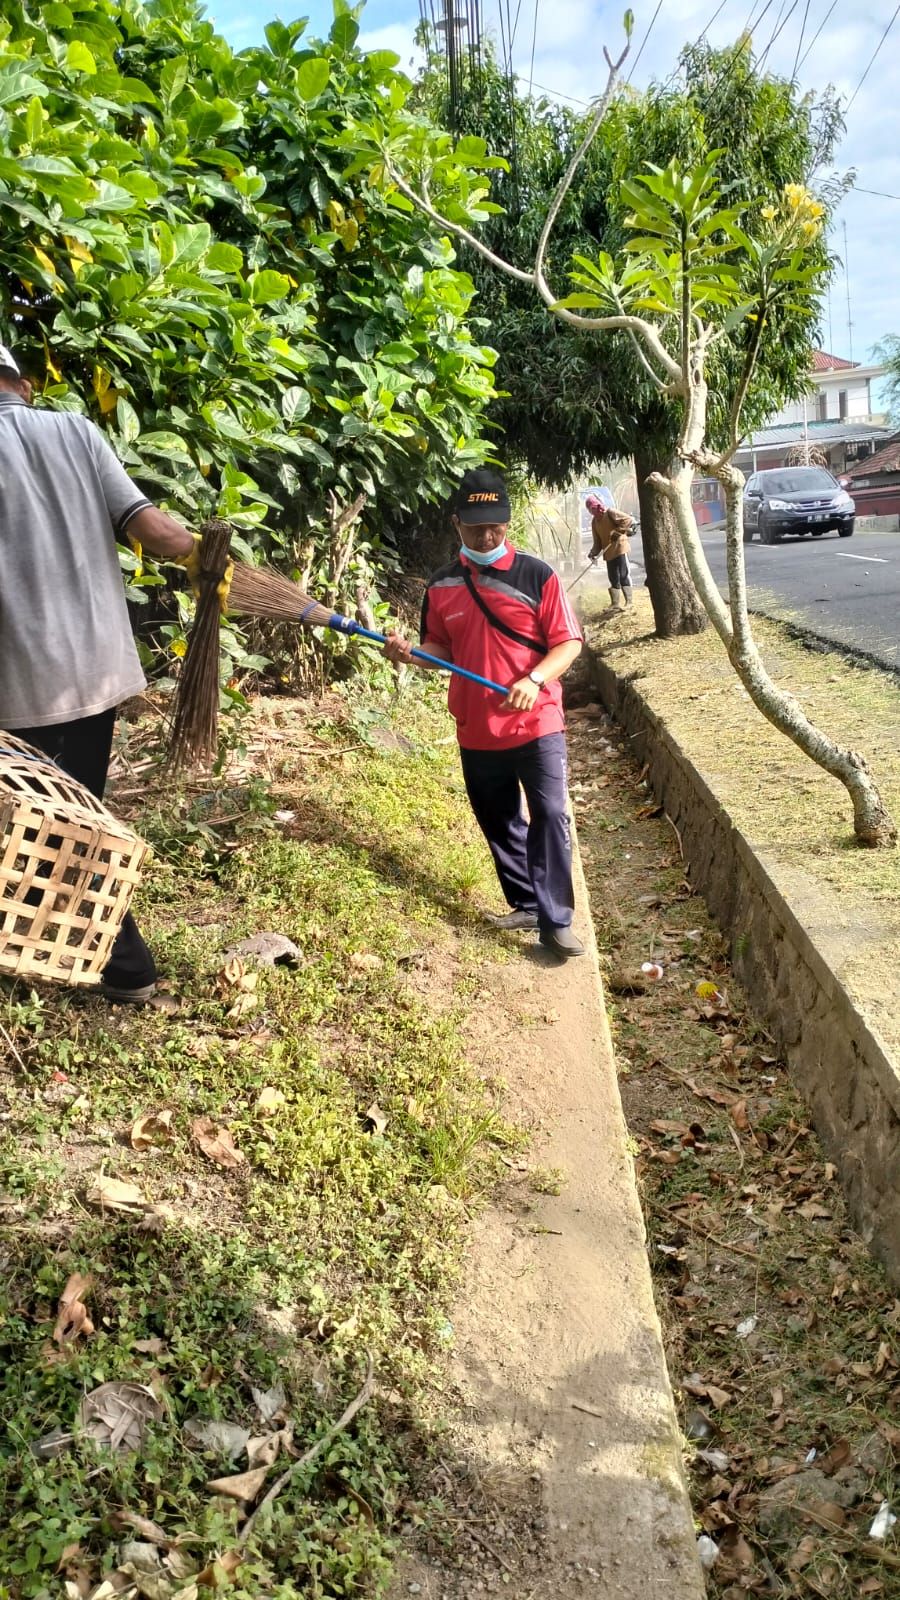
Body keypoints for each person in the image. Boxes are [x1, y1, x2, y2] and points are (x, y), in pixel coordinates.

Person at [0, 342, 197, 1002]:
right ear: (23, 384)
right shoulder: (76, 431)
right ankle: (97, 951)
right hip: (96, 669)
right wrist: (206, 554)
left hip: (20, 679)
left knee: (60, 824)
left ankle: (124, 961)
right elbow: (150, 529)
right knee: (74, 810)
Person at [385, 468, 584, 959]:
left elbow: (568, 643)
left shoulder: (537, 576)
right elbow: (441, 648)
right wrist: (410, 654)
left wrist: (534, 679)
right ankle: (527, 903)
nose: (487, 536)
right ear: (457, 524)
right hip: (477, 726)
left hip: (537, 721)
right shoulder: (441, 585)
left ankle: (557, 921)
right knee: (498, 819)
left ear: (507, 522)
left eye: (495, 526)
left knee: (551, 814)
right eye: (476, 528)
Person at [586, 494, 634, 610]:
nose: (594, 511)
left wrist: (618, 532)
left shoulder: (610, 512)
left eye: (595, 507)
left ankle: (629, 602)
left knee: (623, 575)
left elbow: (627, 520)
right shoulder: (595, 522)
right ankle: (615, 604)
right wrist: (593, 553)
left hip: (620, 548)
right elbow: (597, 542)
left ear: (599, 505)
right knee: (613, 578)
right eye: (591, 509)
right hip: (608, 552)